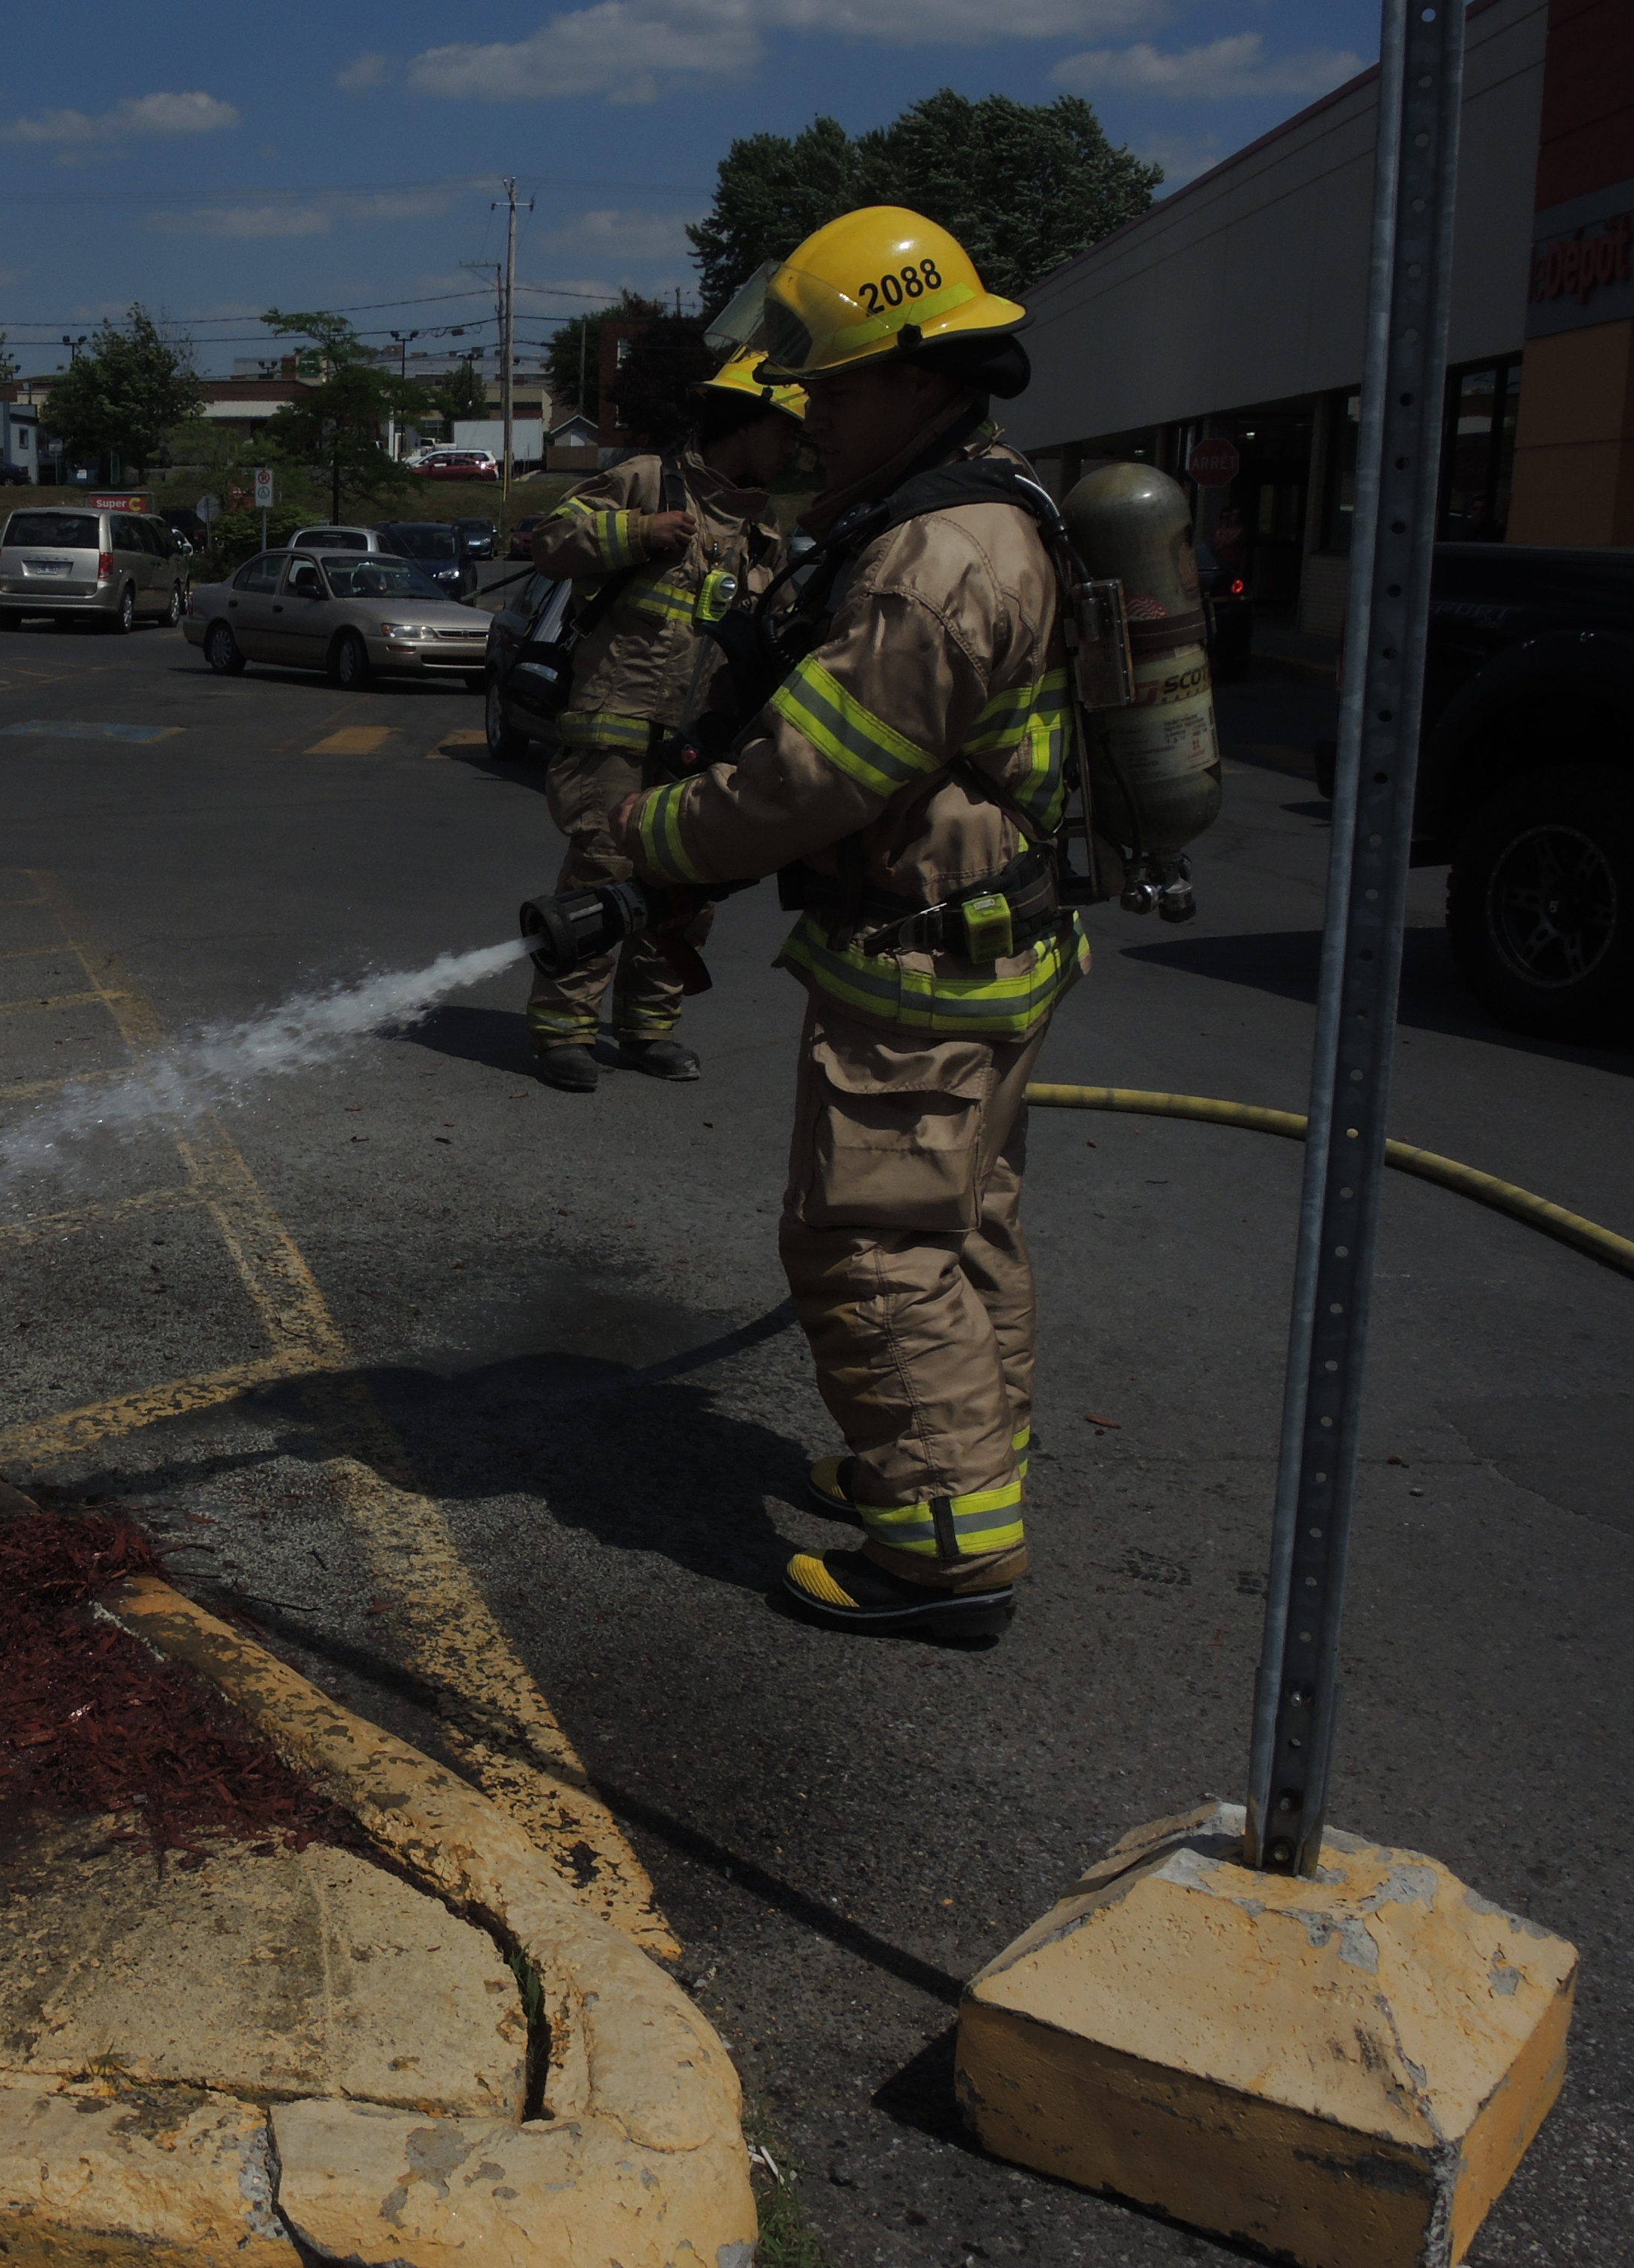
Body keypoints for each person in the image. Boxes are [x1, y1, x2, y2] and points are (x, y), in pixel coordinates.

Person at [611, 206, 1078, 1641]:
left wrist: (655, 839)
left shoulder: (936, 559)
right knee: (963, 1221)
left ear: (915, 372)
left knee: (870, 1242)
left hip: (922, 960)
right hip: (992, 940)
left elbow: (815, 774)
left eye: (828, 378)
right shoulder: (985, 508)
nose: (805, 411)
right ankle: (952, 1474)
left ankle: (942, 1555)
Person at [521, 352, 806, 1092]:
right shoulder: (647, 481)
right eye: (786, 431)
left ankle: (649, 1029)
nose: (795, 450)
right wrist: (636, 532)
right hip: (612, 733)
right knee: (601, 876)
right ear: (744, 423)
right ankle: (562, 1035)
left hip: (698, 745)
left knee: (684, 884)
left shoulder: (763, 536)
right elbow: (550, 541)